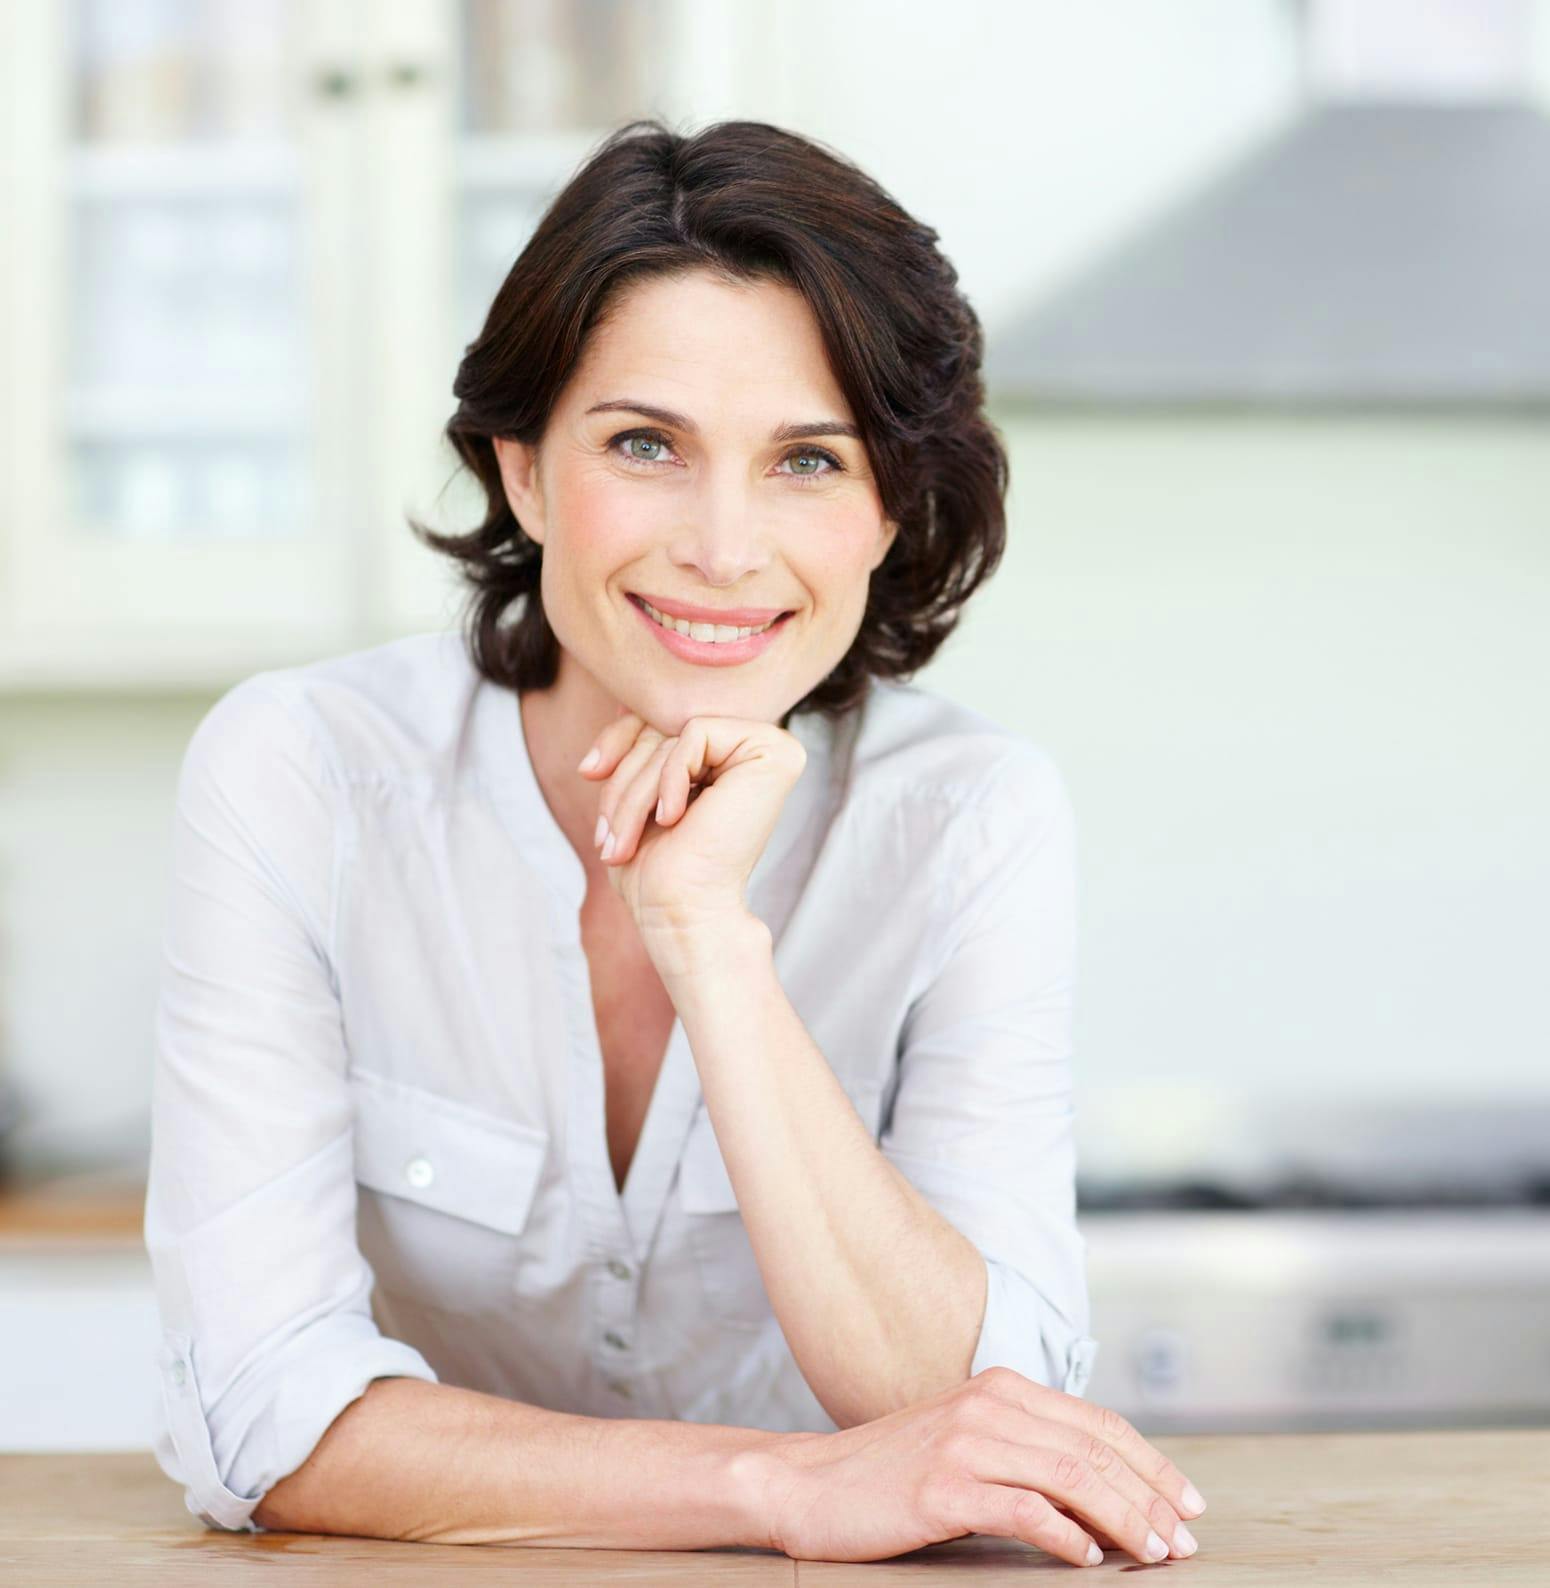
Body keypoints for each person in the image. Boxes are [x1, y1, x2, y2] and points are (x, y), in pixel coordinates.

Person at [143, 117, 1205, 1568]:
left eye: (808, 461)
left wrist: (711, 943)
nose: (720, 545)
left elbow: (975, 1418)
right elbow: (256, 1412)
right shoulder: (303, 773)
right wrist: (780, 1488)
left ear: (890, 508)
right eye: (645, 444)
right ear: (520, 474)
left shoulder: (968, 819)